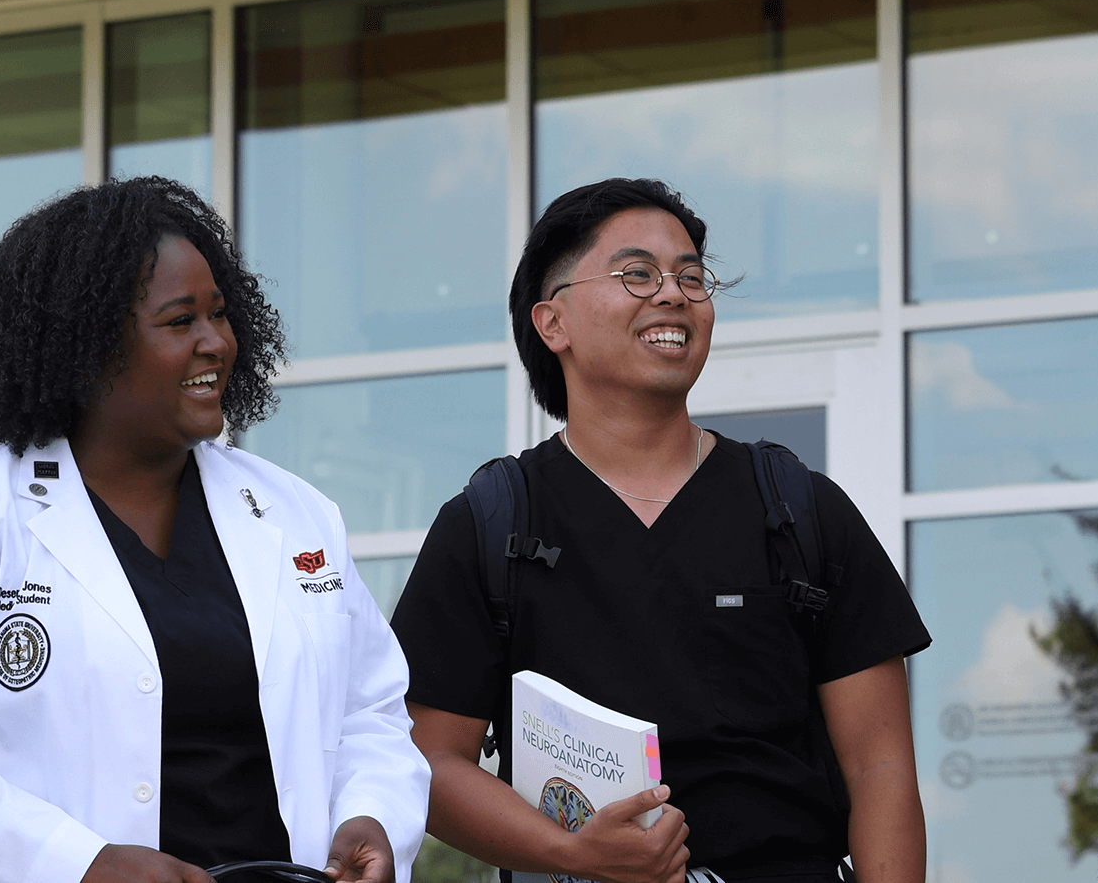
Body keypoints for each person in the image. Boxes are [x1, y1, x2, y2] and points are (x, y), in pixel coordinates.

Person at [0, 177, 431, 883]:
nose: (216, 344)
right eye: (180, 322)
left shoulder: (296, 515)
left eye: (221, 314)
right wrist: (79, 865)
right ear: (87, 349)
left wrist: (372, 817)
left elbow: (370, 714)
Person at [391, 178, 931, 883]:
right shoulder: (490, 526)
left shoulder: (801, 510)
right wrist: (571, 851)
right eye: (637, 274)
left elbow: (882, 767)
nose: (673, 294)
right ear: (552, 324)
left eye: (691, 277)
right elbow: (427, 763)